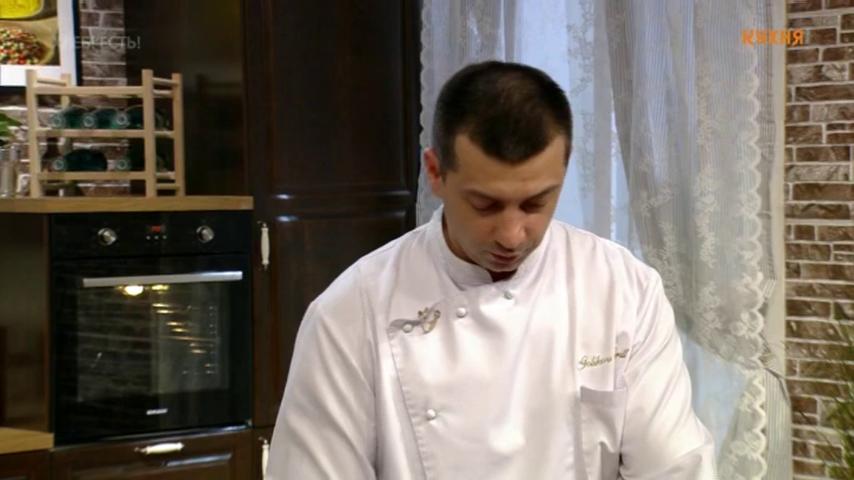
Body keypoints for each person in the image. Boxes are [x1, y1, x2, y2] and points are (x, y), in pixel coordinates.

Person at [266, 61, 716, 479]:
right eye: (485, 205)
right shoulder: (349, 314)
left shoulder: (625, 289)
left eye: (536, 203)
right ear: (435, 172)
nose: (512, 235)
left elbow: (674, 468)